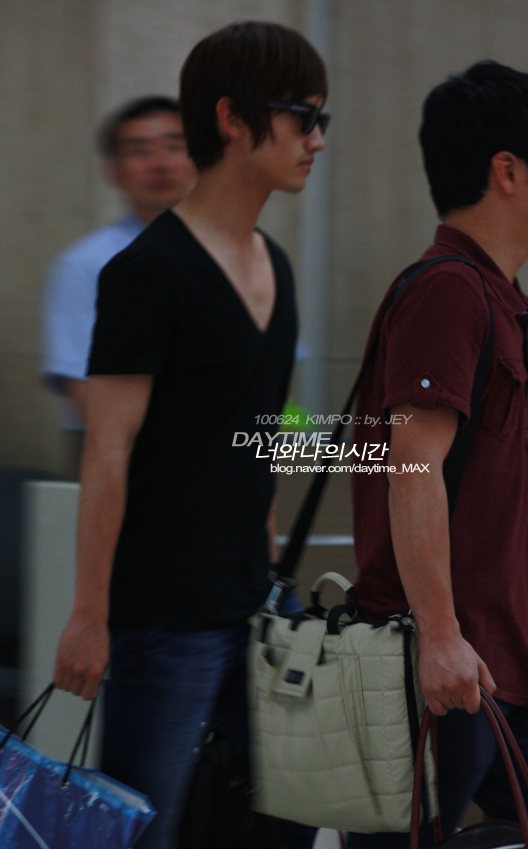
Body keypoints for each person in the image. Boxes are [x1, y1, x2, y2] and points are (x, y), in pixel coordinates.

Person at [53, 21, 328, 849]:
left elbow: (260, 430)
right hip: (164, 620)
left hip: (259, 606)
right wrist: (89, 616)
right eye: (302, 116)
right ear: (234, 118)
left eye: (322, 119)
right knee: (146, 828)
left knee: (291, 823)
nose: (317, 139)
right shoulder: (146, 271)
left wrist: (270, 561)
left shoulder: (277, 266)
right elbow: (107, 452)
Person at [349, 61, 528, 847]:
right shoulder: (448, 291)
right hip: (442, 670)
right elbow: (411, 469)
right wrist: (440, 636)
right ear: (508, 172)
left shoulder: (503, 299)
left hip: (508, 667)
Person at [41, 96, 196, 475]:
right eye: (139, 150)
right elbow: (85, 392)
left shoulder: (242, 253)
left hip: (226, 462)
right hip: (123, 463)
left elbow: (274, 382)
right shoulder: (87, 264)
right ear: (114, 171)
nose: (160, 163)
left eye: (175, 146)